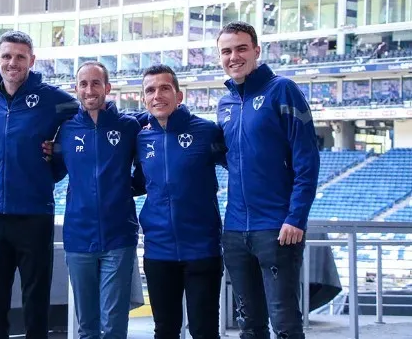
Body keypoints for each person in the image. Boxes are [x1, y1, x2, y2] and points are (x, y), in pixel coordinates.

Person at [216, 21, 320, 339]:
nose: (234, 56)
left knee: (285, 323)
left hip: (277, 228)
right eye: (226, 51)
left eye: (241, 48)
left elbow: (307, 160)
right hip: (234, 230)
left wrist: (295, 218)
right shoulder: (225, 104)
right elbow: (230, 155)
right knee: (249, 325)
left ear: (257, 51)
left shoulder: (282, 90)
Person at [0, 30, 79, 338]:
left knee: (36, 301)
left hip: (34, 214)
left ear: (32, 61)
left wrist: (59, 151)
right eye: (6, 56)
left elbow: (86, 118)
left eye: (20, 57)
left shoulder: (53, 99)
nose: (13, 63)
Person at [50, 61, 141, 339]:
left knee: (113, 325)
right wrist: (46, 152)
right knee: (86, 326)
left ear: (108, 88)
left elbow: (151, 165)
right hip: (79, 237)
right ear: (76, 89)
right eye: (84, 84)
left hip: (118, 237)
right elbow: (53, 171)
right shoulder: (65, 130)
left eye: (96, 83)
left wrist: (127, 189)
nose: (90, 90)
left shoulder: (128, 126)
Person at [134, 64, 225, 339]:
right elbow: (138, 182)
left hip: (202, 250)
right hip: (158, 251)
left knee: (204, 331)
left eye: (164, 88)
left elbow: (242, 166)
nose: (157, 95)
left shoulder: (207, 132)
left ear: (179, 95)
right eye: (150, 90)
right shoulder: (141, 137)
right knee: (164, 331)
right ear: (144, 98)